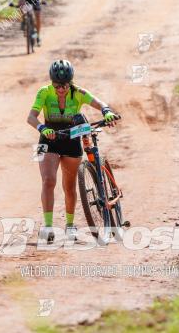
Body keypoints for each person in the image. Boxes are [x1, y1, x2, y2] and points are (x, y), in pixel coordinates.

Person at [26, 60, 119, 243]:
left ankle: (70, 225)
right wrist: (42, 128)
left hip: (71, 139)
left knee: (69, 186)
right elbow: (31, 117)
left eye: (65, 85)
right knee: (48, 181)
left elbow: (100, 103)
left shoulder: (79, 92)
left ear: (71, 82)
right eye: (57, 85)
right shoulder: (44, 92)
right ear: (52, 82)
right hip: (48, 138)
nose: (61, 89)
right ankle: (48, 226)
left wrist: (107, 111)